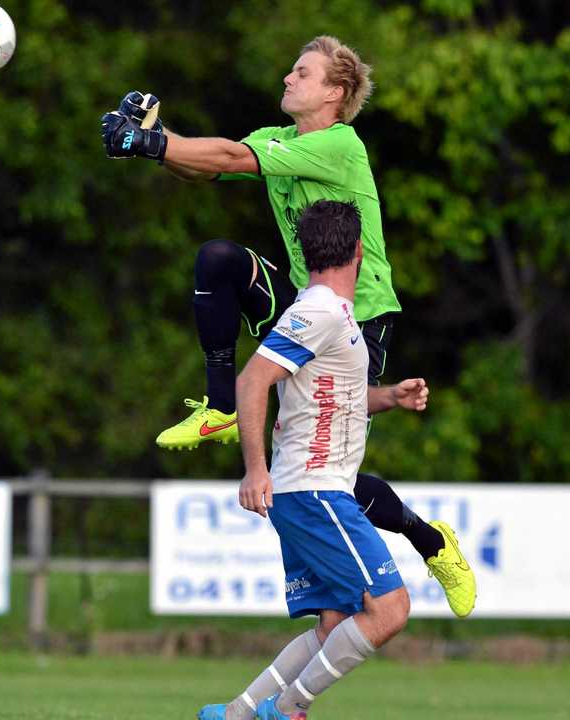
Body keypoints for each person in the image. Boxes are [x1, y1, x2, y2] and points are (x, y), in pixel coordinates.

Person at [101, 35, 475, 617]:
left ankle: (432, 542)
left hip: (360, 315)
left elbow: (226, 158)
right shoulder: (276, 140)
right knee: (218, 259)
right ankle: (221, 406)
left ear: (335, 92)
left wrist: (152, 144)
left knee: (327, 481)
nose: (287, 79)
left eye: (302, 73)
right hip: (305, 301)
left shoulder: (341, 145)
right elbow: (209, 167)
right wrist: (151, 139)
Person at [198, 200, 423, 720]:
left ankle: (237, 713)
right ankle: (289, 708)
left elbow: (336, 394)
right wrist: (255, 468)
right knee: (390, 609)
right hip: (314, 490)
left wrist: (391, 397)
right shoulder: (318, 311)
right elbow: (253, 379)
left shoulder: (330, 315)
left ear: (306, 250)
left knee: (335, 621)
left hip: (310, 491)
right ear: (361, 250)